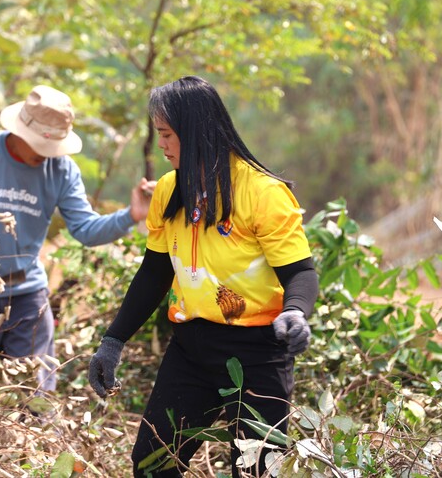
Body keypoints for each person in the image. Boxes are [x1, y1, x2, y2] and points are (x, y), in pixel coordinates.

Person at [88, 76, 319, 477]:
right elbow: (155, 272)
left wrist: (296, 312)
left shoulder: (263, 192)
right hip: (191, 349)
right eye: (158, 134)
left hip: (258, 352)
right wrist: (114, 340)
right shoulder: (168, 190)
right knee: (152, 462)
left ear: (194, 132)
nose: (161, 144)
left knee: (256, 472)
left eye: (167, 134)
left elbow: (300, 271)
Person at [0, 85, 154, 392]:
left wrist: (131, 215)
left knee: (35, 394)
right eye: (39, 145)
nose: (45, 155)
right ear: (18, 131)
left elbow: (85, 229)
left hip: (27, 294)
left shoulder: (62, 169)